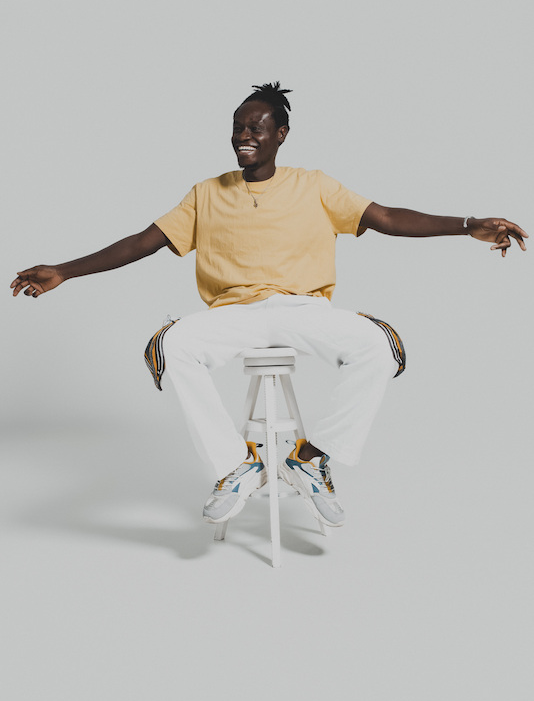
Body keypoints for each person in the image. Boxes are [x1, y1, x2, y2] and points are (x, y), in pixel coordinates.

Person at [11, 82, 528, 530]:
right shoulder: (206, 193)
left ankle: (311, 458)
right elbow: (141, 242)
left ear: (280, 134)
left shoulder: (314, 185)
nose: (244, 136)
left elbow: (388, 218)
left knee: (379, 346)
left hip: (304, 310)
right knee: (169, 346)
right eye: (238, 127)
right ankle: (236, 466)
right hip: (232, 314)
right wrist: (65, 270)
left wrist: (468, 225)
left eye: (256, 128)